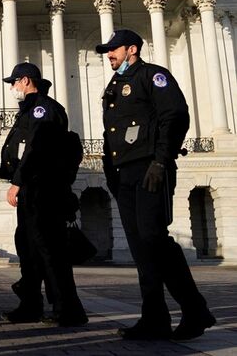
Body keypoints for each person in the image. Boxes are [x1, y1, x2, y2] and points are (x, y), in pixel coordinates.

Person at [98, 29, 215, 340]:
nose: (109, 54)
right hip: (124, 175)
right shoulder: (115, 85)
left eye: (114, 49)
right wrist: (112, 175)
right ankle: (154, 318)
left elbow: (174, 116)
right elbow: (112, 133)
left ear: (132, 49)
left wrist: (161, 161)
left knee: (153, 239)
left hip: (150, 167)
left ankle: (195, 309)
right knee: (140, 247)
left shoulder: (153, 76)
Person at [0, 62, 87, 327]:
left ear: (25, 80)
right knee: (29, 249)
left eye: (14, 82)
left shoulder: (41, 109)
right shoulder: (30, 110)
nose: (12, 87)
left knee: (50, 252)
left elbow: (36, 149)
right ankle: (31, 305)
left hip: (43, 190)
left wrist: (17, 181)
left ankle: (68, 310)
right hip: (32, 190)